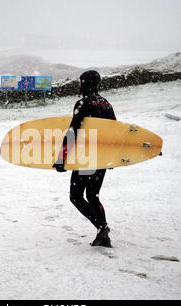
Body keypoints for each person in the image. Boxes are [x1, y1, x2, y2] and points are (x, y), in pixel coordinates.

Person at [53, 70, 116, 248]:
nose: (79, 85)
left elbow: (73, 131)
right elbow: (115, 132)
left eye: (81, 82)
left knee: (76, 196)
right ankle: (104, 236)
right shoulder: (106, 104)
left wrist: (61, 158)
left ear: (86, 83)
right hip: (102, 157)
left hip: (87, 157)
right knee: (93, 195)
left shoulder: (83, 103)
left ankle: (102, 227)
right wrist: (112, 158)